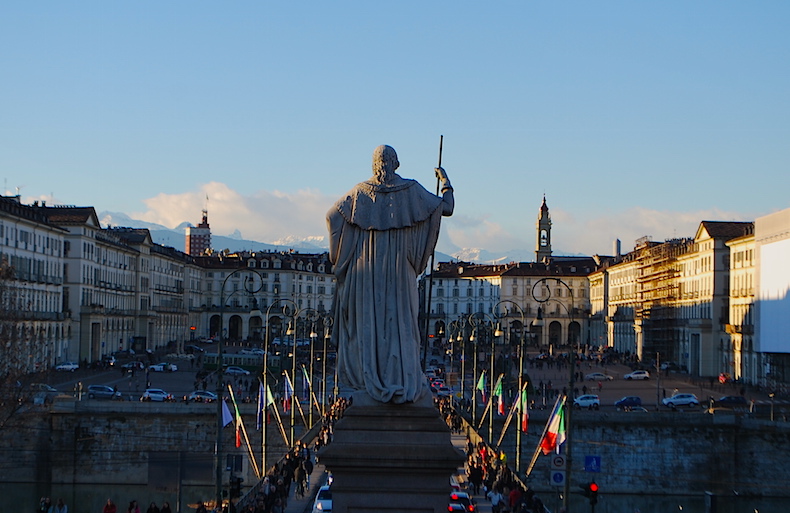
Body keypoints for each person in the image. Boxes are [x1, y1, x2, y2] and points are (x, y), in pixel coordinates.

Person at [327, 144, 454, 404]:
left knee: (368, 326)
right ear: (396, 163)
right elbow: (447, 207)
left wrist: (339, 257)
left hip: (366, 271)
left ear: (375, 164)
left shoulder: (361, 192)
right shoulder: (411, 190)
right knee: (402, 324)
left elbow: (332, 216)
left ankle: (368, 378)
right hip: (400, 272)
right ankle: (402, 378)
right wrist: (445, 182)